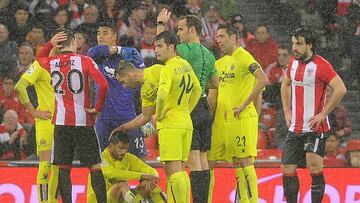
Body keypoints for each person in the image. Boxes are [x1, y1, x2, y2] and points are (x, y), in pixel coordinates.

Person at [37, 29, 109, 203]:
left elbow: (39, 58)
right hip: (83, 121)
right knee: (94, 166)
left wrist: (49, 43)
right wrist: (97, 107)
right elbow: (103, 85)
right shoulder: (84, 60)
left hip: (61, 123)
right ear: (75, 42)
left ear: (59, 44)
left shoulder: (52, 62)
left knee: (63, 168)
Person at [157, 9, 218, 203]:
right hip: (204, 106)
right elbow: (215, 83)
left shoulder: (184, 50)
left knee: (191, 161)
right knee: (202, 159)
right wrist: (198, 82)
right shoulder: (208, 54)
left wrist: (161, 24)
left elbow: (166, 47)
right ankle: (203, 200)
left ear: (193, 30)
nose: (179, 34)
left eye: (181, 29)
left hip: (188, 108)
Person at [280, 27, 346, 203]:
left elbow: (340, 89)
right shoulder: (292, 63)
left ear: (309, 45)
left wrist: (323, 113)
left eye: (299, 44)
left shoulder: (321, 65)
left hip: (315, 127)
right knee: (287, 168)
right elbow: (285, 85)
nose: (294, 47)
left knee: (314, 165)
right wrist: (287, 110)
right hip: (295, 127)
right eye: (293, 43)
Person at [212, 24, 269, 203]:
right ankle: (242, 199)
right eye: (217, 37)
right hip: (225, 120)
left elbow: (263, 80)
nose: (218, 40)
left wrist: (245, 105)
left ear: (234, 38)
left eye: (222, 36)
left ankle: (252, 201)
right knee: (234, 162)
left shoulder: (245, 57)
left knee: (245, 162)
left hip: (242, 118)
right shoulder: (220, 62)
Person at [87, 22, 147, 157]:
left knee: (139, 158)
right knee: (100, 160)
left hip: (128, 117)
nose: (100, 37)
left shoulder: (131, 56)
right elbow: (94, 52)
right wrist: (119, 50)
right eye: (98, 33)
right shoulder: (96, 56)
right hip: (104, 119)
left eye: (105, 33)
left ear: (114, 36)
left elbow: (143, 76)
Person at [156, 31, 201, 203]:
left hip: (171, 125)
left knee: (174, 171)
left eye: (160, 46)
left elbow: (161, 95)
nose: (156, 50)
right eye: (155, 46)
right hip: (185, 122)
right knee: (181, 170)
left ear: (171, 47)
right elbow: (197, 90)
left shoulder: (168, 68)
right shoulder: (185, 65)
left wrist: (159, 113)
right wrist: (186, 110)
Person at [14, 57, 61, 202]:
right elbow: (19, 87)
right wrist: (33, 112)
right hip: (46, 122)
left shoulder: (68, 66)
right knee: (45, 167)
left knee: (58, 168)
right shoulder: (40, 65)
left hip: (64, 122)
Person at [87, 131, 166, 203]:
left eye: (126, 149)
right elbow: (112, 173)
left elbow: (152, 172)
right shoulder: (100, 158)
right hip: (100, 200)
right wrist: (141, 176)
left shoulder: (128, 158)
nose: (124, 151)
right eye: (121, 148)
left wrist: (152, 179)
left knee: (146, 183)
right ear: (111, 146)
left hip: (122, 199)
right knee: (122, 185)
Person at [112, 61, 163, 134]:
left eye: (122, 82)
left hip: (181, 117)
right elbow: (145, 116)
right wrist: (123, 127)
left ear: (128, 75)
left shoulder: (156, 70)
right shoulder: (144, 92)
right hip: (169, 124)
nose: (124, 86)